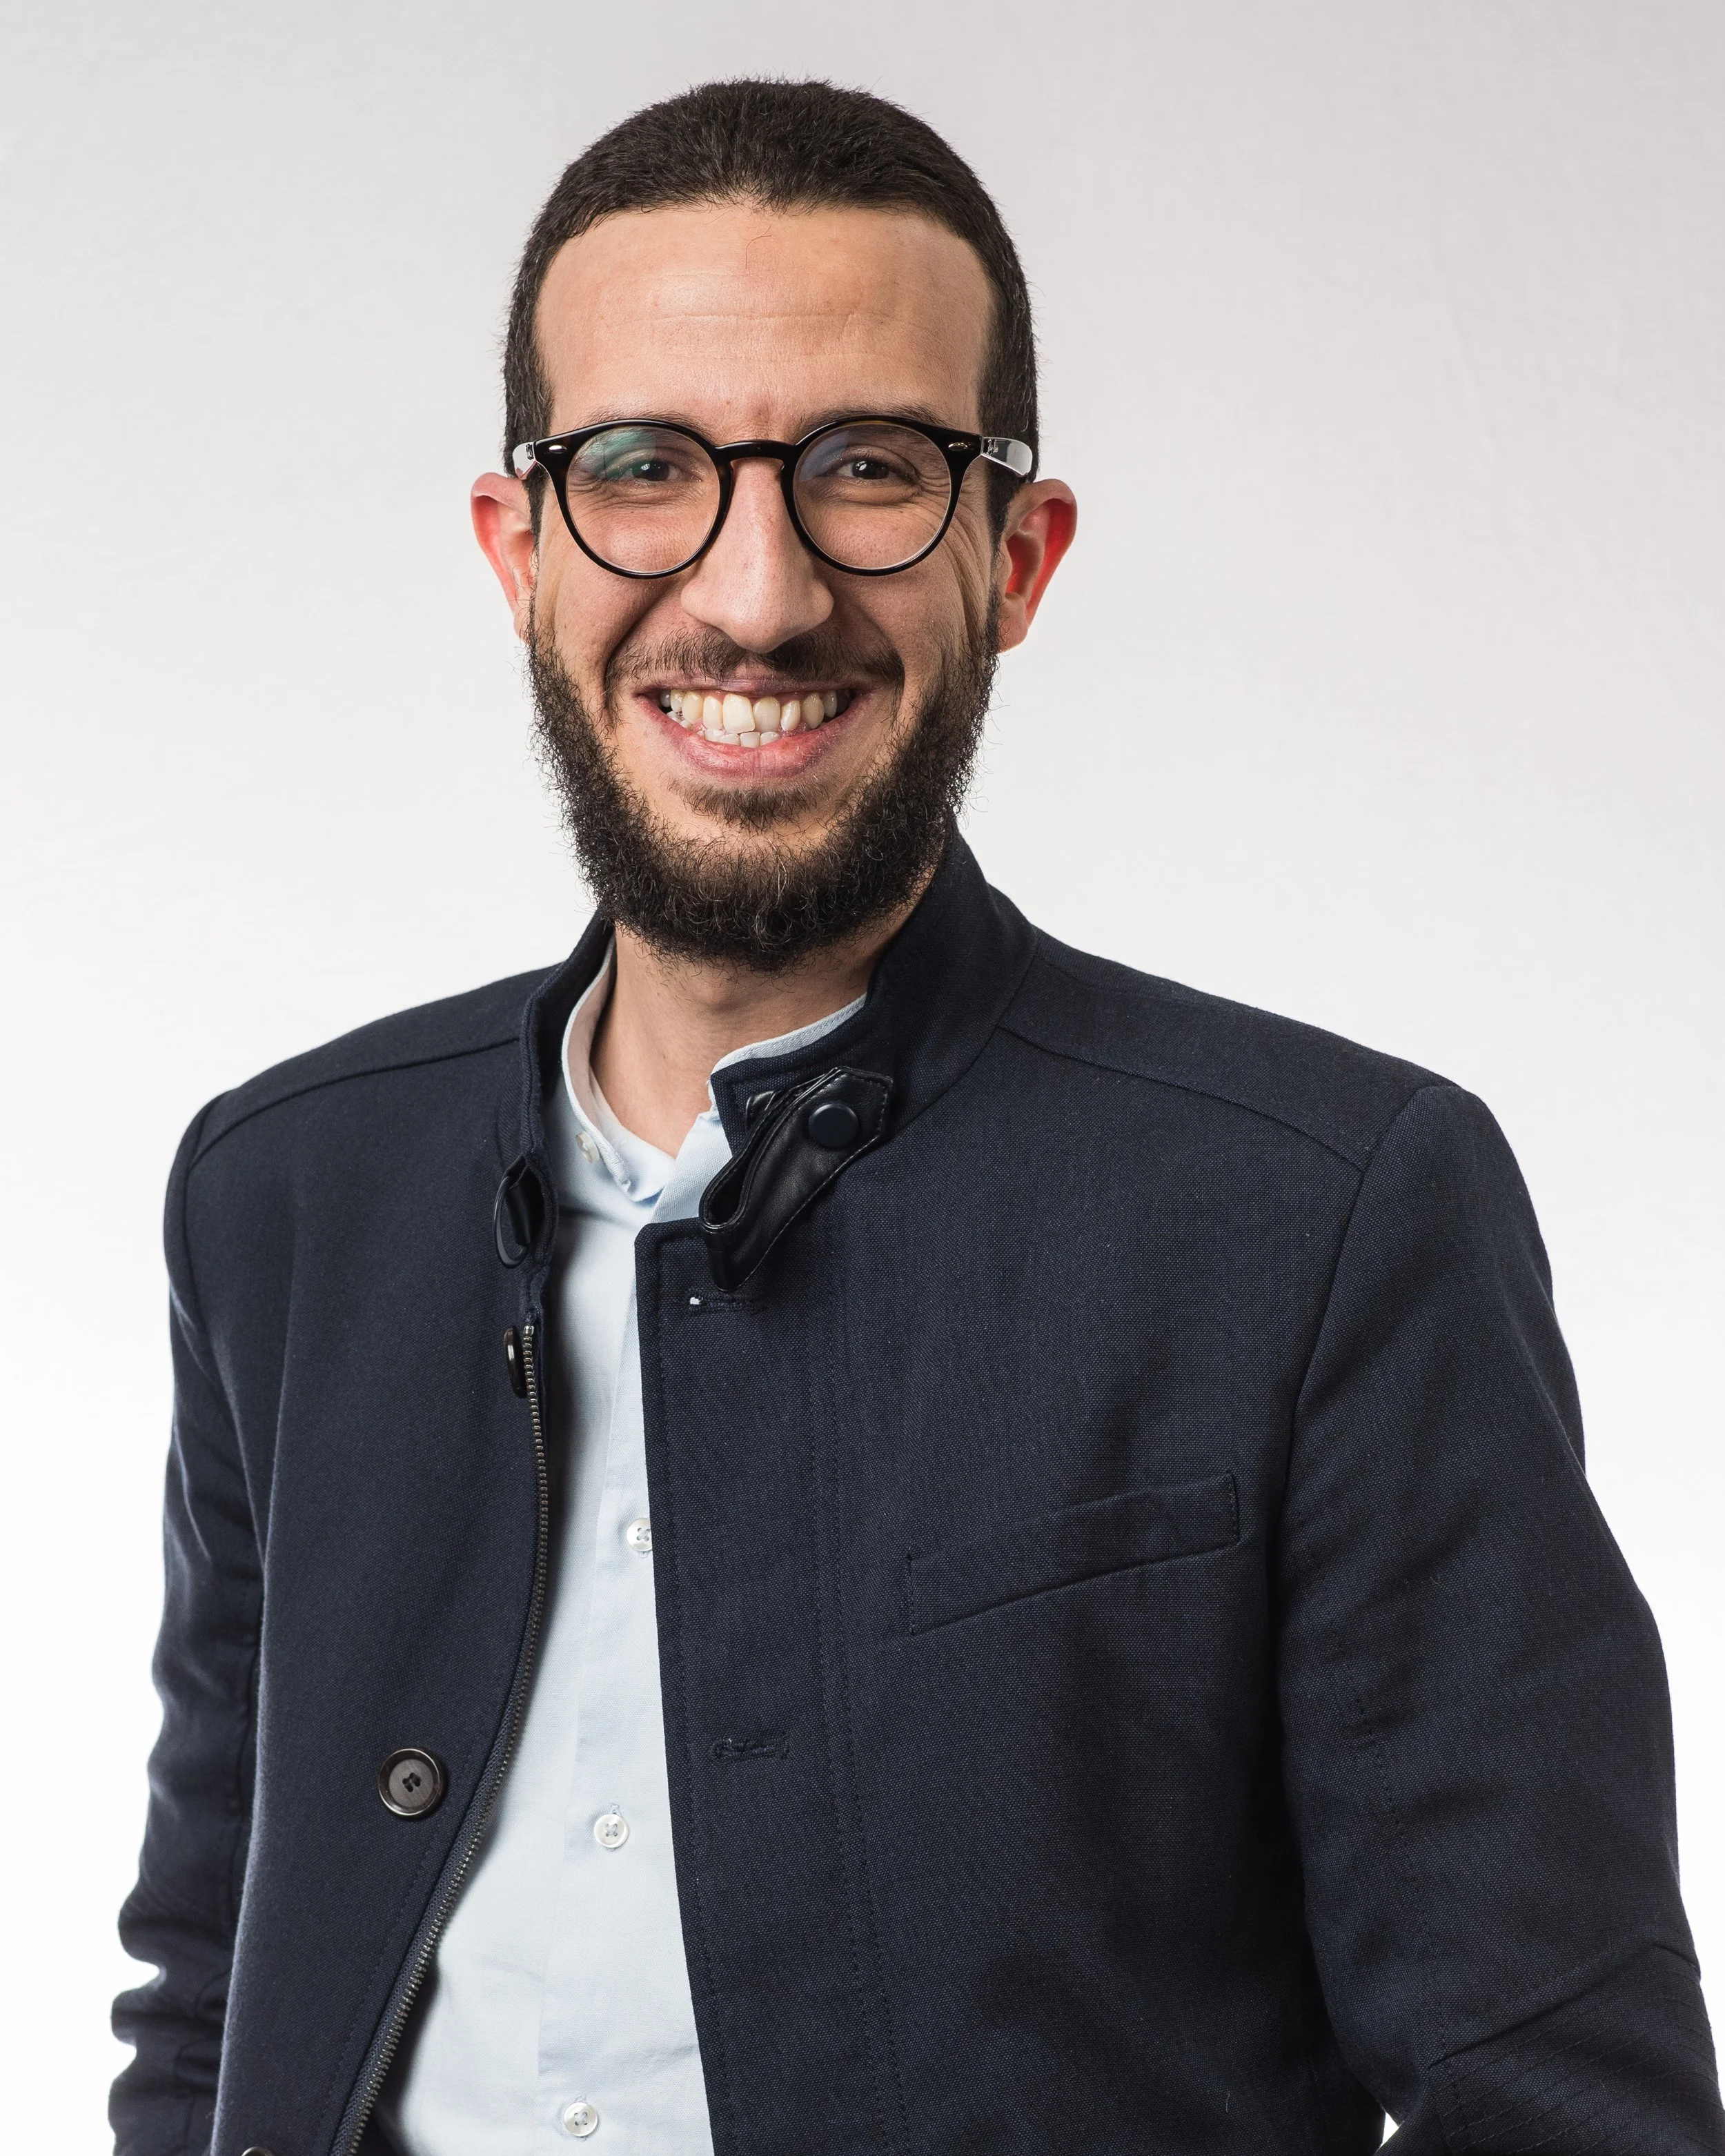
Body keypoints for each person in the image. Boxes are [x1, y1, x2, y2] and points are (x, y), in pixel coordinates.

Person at [112, 77, 1722, 2156]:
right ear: (518, 554)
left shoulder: (1323, 1215)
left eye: (869, 468)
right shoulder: (288, 1194)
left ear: (1017, 554)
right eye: (642, 467)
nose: (757, 592)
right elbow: (211, 1987)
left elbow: (1560, 2096)